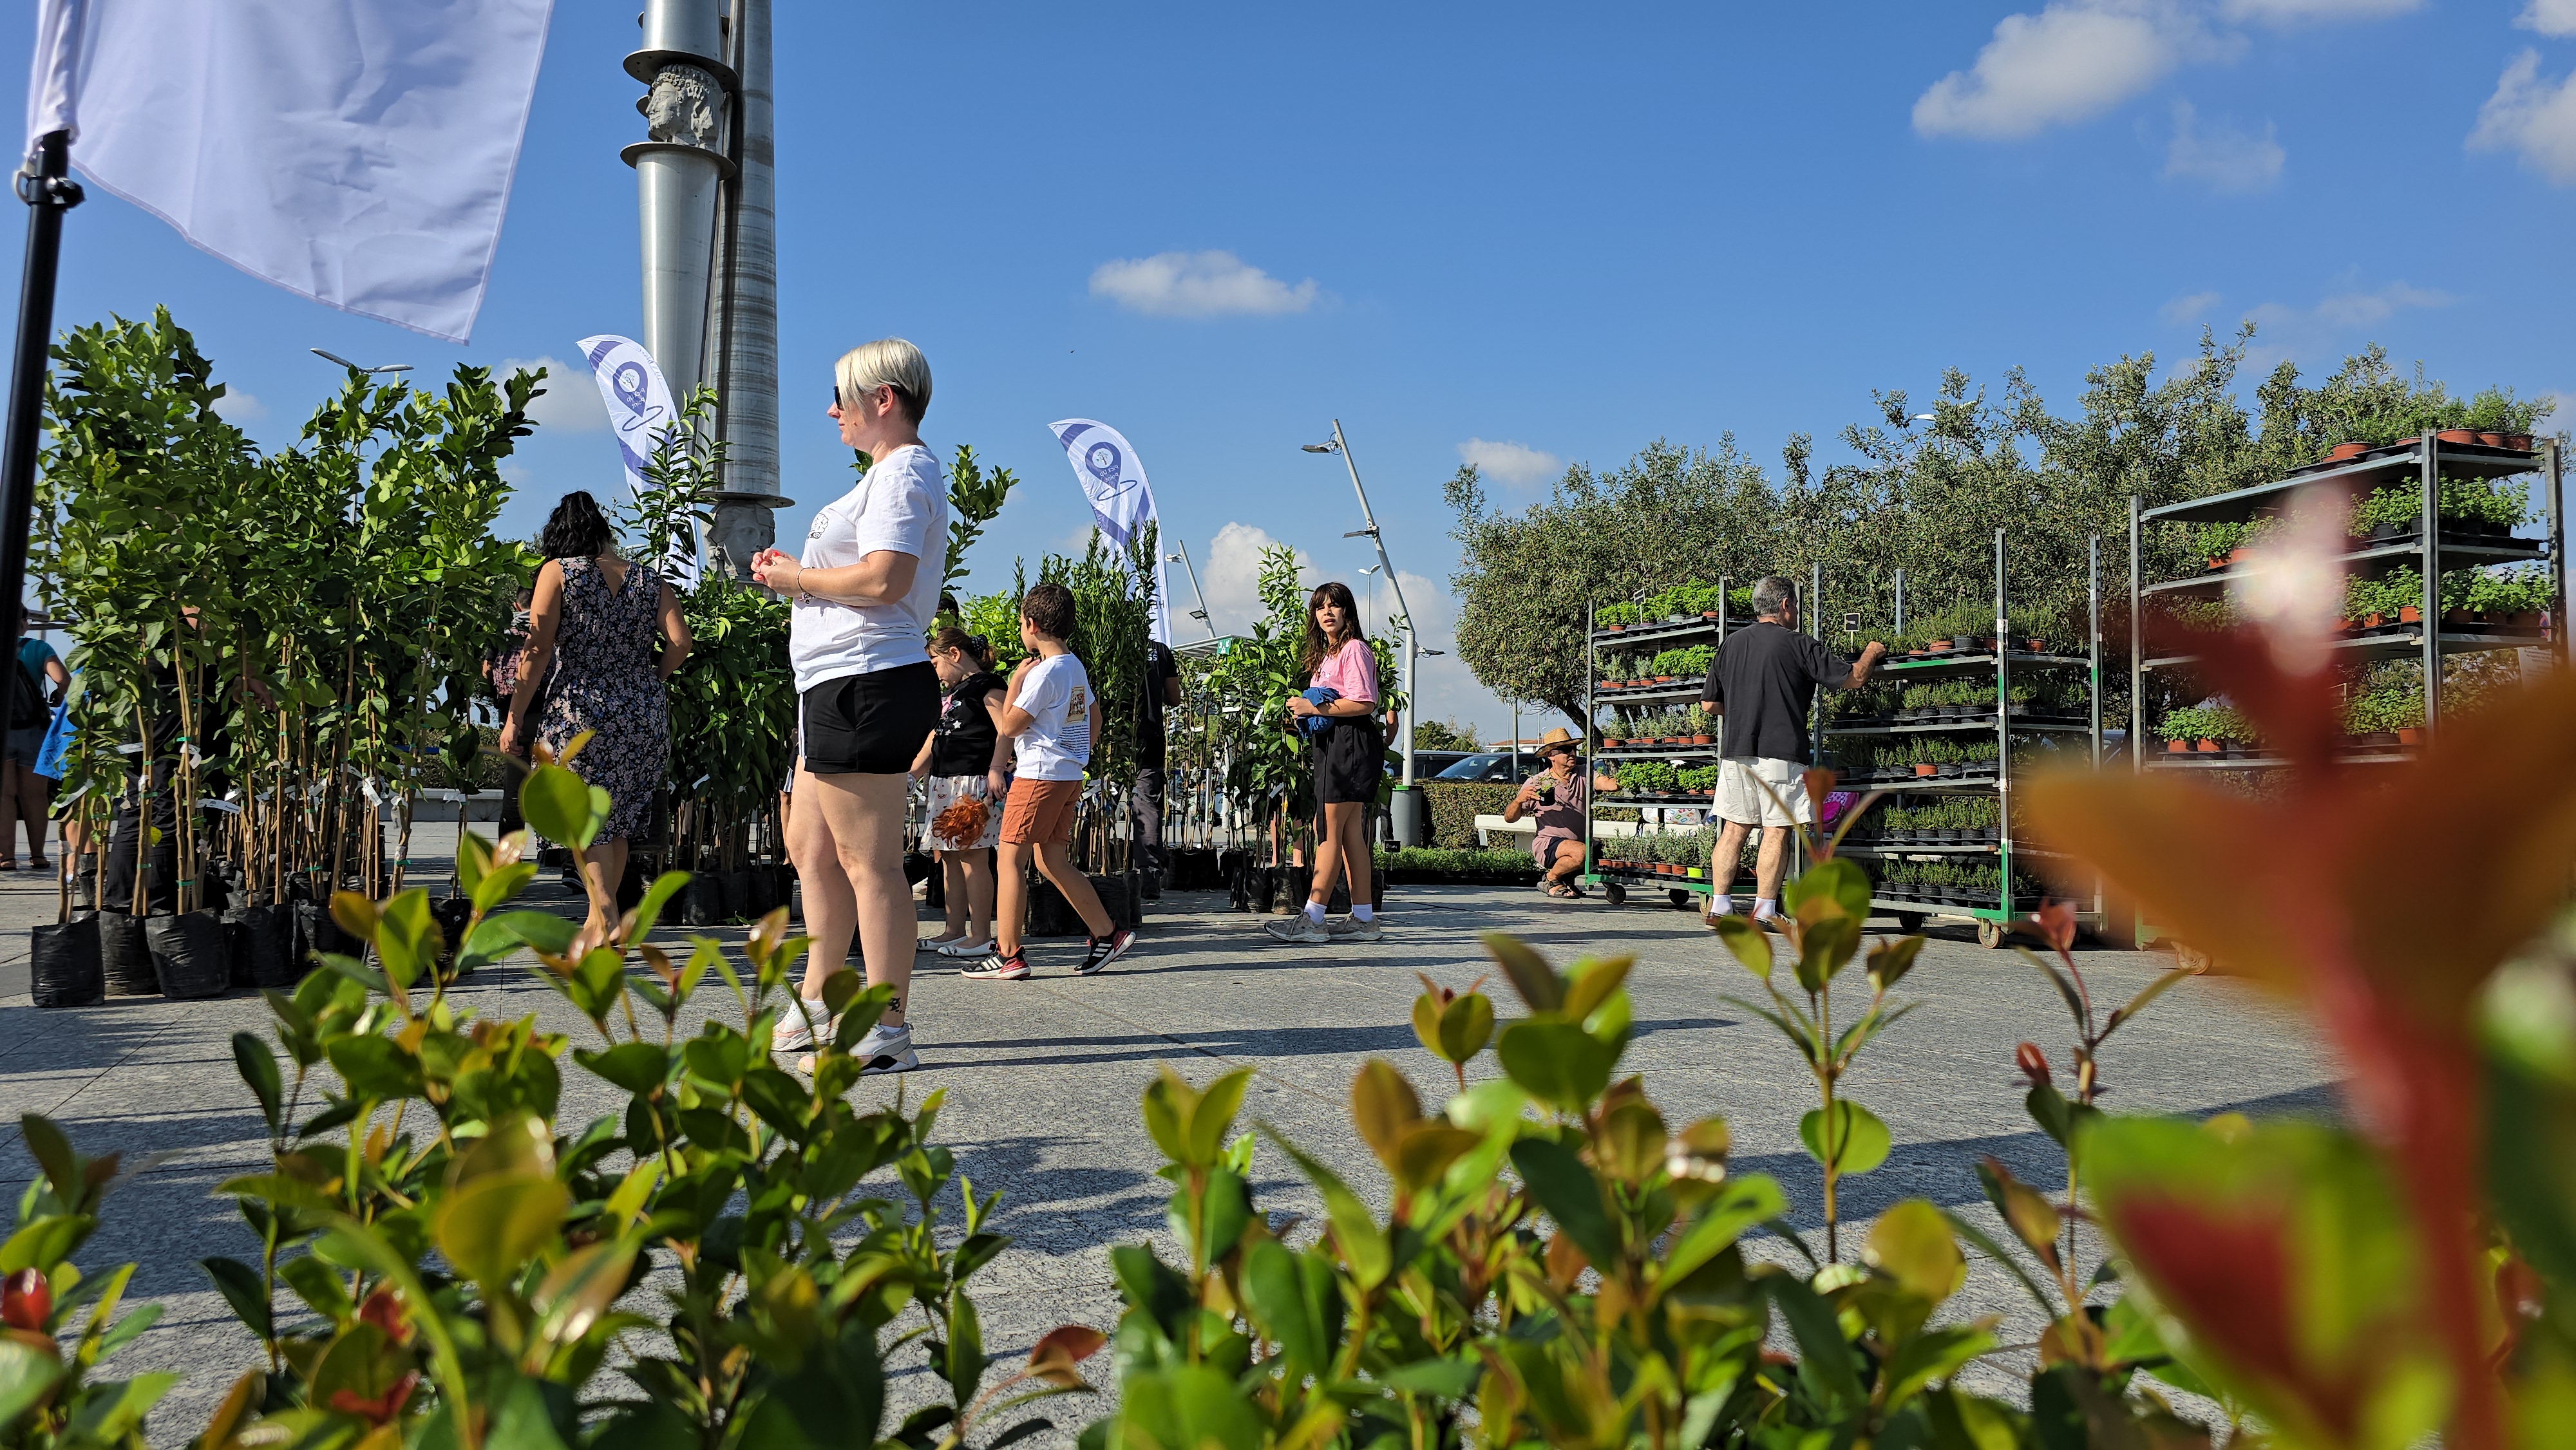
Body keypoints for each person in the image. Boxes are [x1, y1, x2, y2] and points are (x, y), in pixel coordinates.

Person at [748, 338, 948, 1074]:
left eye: (844, 397)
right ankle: (819, 1002)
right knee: (811, 849)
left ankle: (887, 1025)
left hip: (867, 678)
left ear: (883, 399)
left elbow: (884, 579)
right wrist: (796, 577)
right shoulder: (880, 478)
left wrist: (798, 578)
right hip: (833, 682)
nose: (833, 411)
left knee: (869, 863)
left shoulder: (903, 474)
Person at [502, 493, 692, 953]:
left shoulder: (559, 572)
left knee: (582, 819)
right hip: (643, 713)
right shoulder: (649, 579)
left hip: (579, 710)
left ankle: (605, 914)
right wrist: (650, 678)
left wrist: (514, 716)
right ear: (604, 533)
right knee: (618, 821)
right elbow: (681, 642)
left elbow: (539, 647)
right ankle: (597, 926)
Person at [963, 582, 1138, 981]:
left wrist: (1013, 685)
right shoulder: (1074, 665)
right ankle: (1107, 933)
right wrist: (1076, 752)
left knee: (1010, 859)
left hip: (1037, 775)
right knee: (1050, 858)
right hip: (1068, 774)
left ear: (1032, 624)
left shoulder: (1042, 674)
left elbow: (1008, 725)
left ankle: (1008, 954)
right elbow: (1094, 720)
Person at [1698, 574, 1884, 924]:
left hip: (1736, 751)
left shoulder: (1731, 645)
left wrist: (1743, 708)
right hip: (1781, 752)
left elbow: (1710, 704)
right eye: (1796, 605)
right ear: (1786, 605)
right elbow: (1854, 678)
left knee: (1734, 828)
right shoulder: (1799, 644)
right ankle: (1765, 910)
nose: (1797, 612)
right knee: (1777, 830)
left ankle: (1720, 905)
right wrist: (1872, 650)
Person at [1267, 581, 1383, 945]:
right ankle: (1363, 919)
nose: (1327, 613)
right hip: (1334, 746)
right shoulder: (1328, 656)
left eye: (1334, 606)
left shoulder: (1354, 650)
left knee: (1328, 830)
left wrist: (1313, 707)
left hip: (1350, 745)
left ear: (1348, 611)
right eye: (1320, 607)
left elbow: (1365, 702)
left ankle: (1314, 918)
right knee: (1349, 834)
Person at [910, 625, 1007, 958]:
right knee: (948, 857)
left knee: (972, 856)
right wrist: (912, 774)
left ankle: (981, 934)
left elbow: (1005, 730)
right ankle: (954, 929)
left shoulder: (987, 686)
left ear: (954, 654)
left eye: (936, 664)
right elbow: (935, 739)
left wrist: (997, 769)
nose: (935, 674)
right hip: (944, 781)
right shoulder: (953, 694)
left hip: (972, 783)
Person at [1502, 726, 1619, 898]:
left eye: (1574, 748)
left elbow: (1608, 784)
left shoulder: (1584, 774)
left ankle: (1568, 880)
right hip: (1548, 845)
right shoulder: (1537, 782)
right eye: (1565, 749)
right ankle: (1550, 879)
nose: (1572, 753)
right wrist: (1519, 800)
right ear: (1551, 755)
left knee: (1607, 855)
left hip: (1579, 843)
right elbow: (1509, 818)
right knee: (1582, 853)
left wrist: (1631, 778)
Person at [2, 606, 67, 870]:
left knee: (4, 795)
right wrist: (57, 698)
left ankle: (6, 857)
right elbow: (63, 680)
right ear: (23, 624)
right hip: (34, 731)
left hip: (3, 732)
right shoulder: (38, 649)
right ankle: (38, 855)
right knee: (36, 796)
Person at [1130, 636, 1179, 896]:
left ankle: (1099, 870)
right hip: (1150, 737)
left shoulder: (1112, 644)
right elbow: (1174, 697)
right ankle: (1149, 878)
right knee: (1147, 807)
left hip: (1114, 739)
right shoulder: (1160, 651)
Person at [484, 587, 535, 839]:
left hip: (513, 717)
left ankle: (509, 854)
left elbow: (487, 669)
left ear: (516, 606)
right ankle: (560, 856)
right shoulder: (551, 630)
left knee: (514, 789)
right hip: (550, 713)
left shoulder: (502, 633)